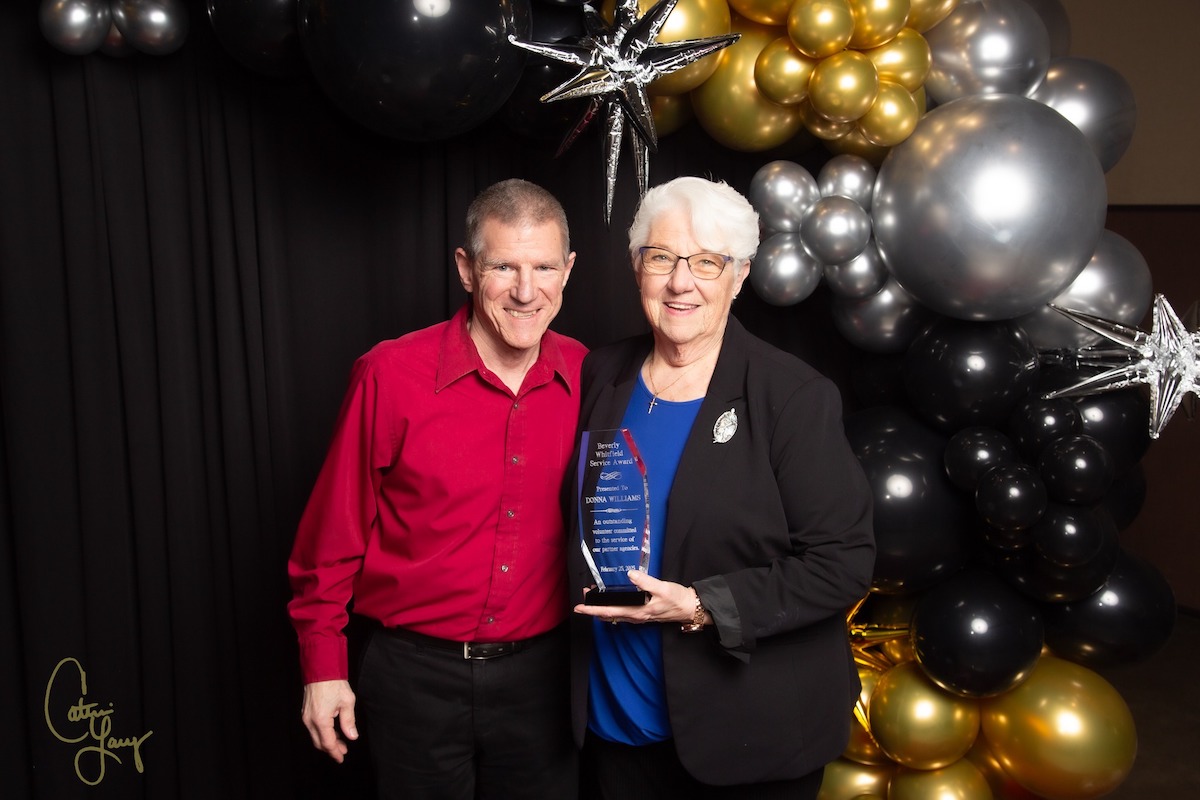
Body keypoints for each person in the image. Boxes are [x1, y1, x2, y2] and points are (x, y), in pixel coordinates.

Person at [567, 176, 875, 799]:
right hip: (614, 727)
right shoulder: (601, 375)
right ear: (636, 268)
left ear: (739, 276)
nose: (681, 282)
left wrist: (706, 605)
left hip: (747, 736)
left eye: (706, 262)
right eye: (661, 258)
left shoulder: (791, 396)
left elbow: (843, 563)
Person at [287, 178, 585, 799]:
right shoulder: (390, 375)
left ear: (569, 270)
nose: (527, 291)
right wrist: (323, 667)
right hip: (413, 677)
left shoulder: (592, 375)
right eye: (504, 265)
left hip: (546, 681)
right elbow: (330, 538)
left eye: (544, 267)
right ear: (467, 269)